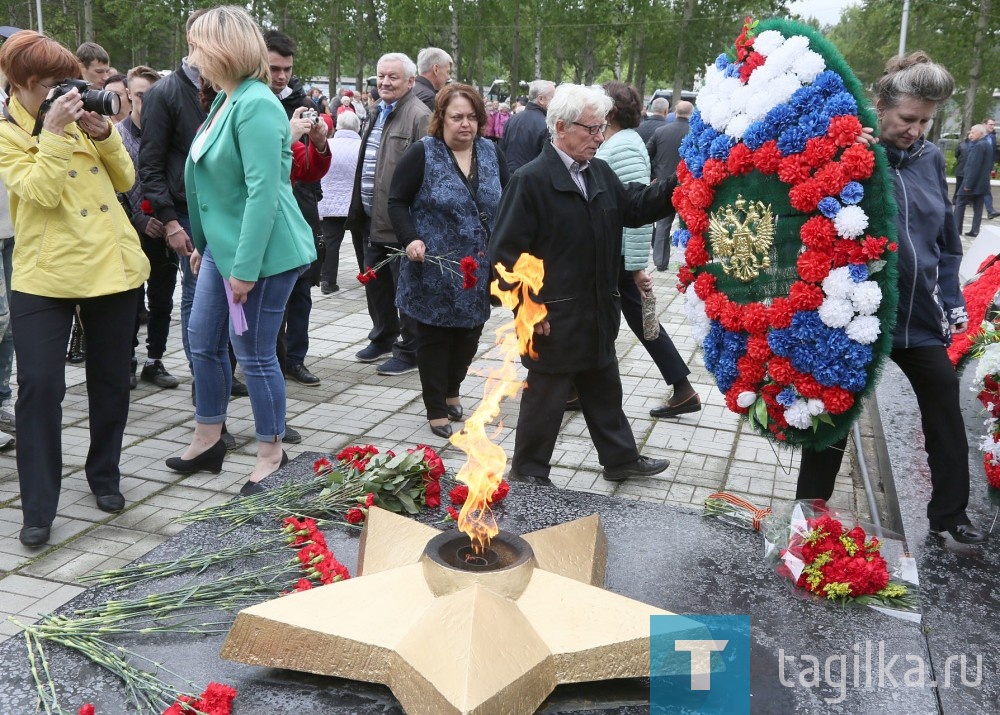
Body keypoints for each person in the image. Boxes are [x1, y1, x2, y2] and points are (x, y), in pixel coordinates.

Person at [797, 52, 986, 545]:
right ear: (879, 107)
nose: (916, 130)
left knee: (943, 396)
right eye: (907, 119)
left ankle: (949, 513)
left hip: (917, 316)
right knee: (836, 413)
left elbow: (946, 239)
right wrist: (841, 163)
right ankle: (808, 513)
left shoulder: (928, 160)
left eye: (925, 121)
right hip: (857, 311)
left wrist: (950, 293)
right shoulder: (848, 153)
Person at [0, 31, 150, 547]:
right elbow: (39, 192)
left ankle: (103, 475)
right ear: (19, 83)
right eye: (44, 84)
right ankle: (38, 505)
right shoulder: (6, 131)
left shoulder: (75, 110)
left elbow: (127, 180)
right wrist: (56, 133)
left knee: (111, 378)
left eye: (61, 80)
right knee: (40, 387)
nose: (57, 91)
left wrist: (103, 132)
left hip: (110, 264)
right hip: (45, 274)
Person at [164, 6, 315, 497]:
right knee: (202, 339)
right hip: (223, 249)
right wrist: (204, 246)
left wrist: (243, 270)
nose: (192, 58)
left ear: (222, 50)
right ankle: (208, 438)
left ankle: (272, 453)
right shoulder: (226, 100)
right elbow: (211, 187)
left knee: (253, 353)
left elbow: (263, 194)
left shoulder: (257, 103)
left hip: (263, 254)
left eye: (197, 48)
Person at [489, 83, 673, 485]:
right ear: (560, 126)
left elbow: (636, 207)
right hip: (552, 314)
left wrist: (679, 187)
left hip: (596, 309)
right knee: (546, 396)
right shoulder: (531, 180)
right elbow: (505, 255)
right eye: (590, 129)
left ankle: (620, 458)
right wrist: (530, 309)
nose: (599, 136)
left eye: (601, 127)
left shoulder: (599, 172)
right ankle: (529, 473)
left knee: (604, 386)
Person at [389, 83, 506, 439]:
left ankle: (453, 389)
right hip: (434, 267)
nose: (465, 124)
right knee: (435, 338)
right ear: (441, 119)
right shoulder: (423, 153)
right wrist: (411, 238)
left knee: (469, 335)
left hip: (477, 270)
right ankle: (436, 407)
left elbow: (509, 197)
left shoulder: (490, 152)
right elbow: (396, 201)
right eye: (457, 117)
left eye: (472, 117)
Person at [596, 81, 700, 420]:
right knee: (639, 318)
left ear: (608, 111)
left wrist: (635, 263)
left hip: (619, 251)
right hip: (620, 251)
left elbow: (629, 208)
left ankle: (683, 388)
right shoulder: (620, 141)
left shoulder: (622, 145)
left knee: (627, 318)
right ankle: (682, 387)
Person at [346, 52, 431, 376]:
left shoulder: (418, 115)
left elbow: (427, 173)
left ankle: (410, 351)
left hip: (401, 223)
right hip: (371, 218)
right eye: (381, 76)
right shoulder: (376, 111)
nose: (384, 82)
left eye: (393, 77)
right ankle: (382, 337)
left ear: (410, 81)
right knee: (375, 284)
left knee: (405, 289)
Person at [115, 65, 181, 391]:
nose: (145, 101)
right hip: (129, 231)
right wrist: (140, 220)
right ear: (128, 93)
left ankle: (155, 360)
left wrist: (169, 218)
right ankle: (127, 358)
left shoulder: (167, 136)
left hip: (164, 230)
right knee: (130, 300)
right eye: (140, 95)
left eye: (151, 95)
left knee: (163, 298)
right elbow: (113, 189)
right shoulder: (116, 135)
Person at [319, 110, 362, 294]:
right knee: (361, 242)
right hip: (356, 204)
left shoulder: (328, 145)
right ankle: (367, 274)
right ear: (357, 127)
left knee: (330, 243)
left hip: (330, 203)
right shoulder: (362, 146)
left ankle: (327, 281)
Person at [647, 99, 693, 270]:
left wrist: (654, 175)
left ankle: (660, 262)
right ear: (691, 113)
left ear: (674, 111)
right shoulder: (693, 132)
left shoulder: (660, 131)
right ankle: (689, 261)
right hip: (688, 186)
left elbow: (647, 154)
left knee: (663, 225)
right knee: (689, 224)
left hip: (664, 183)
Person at [499, 80, 554, 173]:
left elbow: (502, 151)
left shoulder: (512, 119)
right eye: (553, 97)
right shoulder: (546, 125)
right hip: (532, 182)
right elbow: (549, 161)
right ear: (541, 99)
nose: (555, 102)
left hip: (510, 179)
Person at [955, 123, 992, 238]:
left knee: (960, 203)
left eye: (972, 132)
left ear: (980, 133)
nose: (970, 135)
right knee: (978, 207)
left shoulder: (979, 146)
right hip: (982, 183)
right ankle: (975, 230)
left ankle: (956, 229)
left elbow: (973, 166)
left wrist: (968, 184)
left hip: (972, 183)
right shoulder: (987, 145)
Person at [953, 129, 971, 203]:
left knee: (969, 186)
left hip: (969, 169)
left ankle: (968, 200)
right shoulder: (961, 144)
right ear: (967, 136)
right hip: (961, 168)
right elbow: (956, 154)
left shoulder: (976, 145)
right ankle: (955, 199)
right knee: (959, 185)